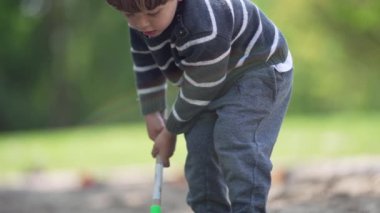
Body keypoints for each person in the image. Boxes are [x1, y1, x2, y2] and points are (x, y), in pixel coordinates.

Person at [105, 0, 293, 212]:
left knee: (234, 139)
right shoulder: (141, 16)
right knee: (199, 148)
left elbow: (202, 86)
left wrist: (170, 130)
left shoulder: (205, 22)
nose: (142, 23)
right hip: (205, 78)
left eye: (154, 13)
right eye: (129, 16)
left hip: (255, 70)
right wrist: (151, 111)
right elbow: (146, 60)